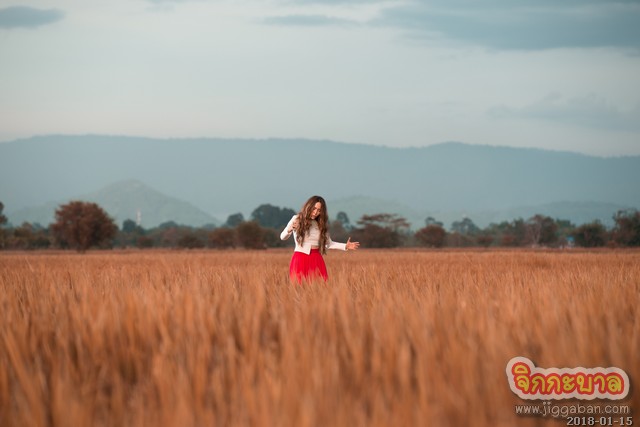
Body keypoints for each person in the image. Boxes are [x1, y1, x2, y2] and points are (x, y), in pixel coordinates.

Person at [281, 195, 359, 283]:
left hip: (316, 259)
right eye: (314, 208)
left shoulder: (321, 224)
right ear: (308, 206)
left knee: (321, 288)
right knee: (299, 288)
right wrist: (290, 229)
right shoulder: (296, 218)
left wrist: (345, 246)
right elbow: (282, 237)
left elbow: (329, 244)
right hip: (300, 259)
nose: (315, 212)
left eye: (319, 210)